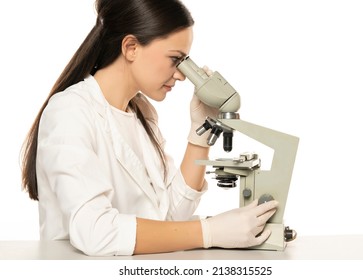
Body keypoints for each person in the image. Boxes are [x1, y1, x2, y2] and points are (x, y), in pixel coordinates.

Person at [21, 0, 278, 256]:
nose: (181, 75)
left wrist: (199, 134)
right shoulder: (70, 111)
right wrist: (209, 232)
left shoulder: (142, 113)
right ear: (131, 47)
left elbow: (168, 218)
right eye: (175, 59)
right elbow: (96, 233)